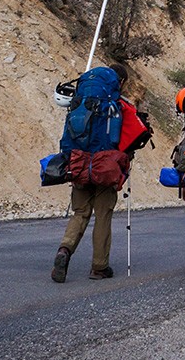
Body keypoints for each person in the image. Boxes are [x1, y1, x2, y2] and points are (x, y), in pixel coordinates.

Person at [51, 63, 147, 283]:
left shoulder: (80, 100)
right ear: (120, 82)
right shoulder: (118, 105)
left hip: (79, 162)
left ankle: (64, 249)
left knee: (80, 212)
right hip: (105, 167)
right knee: (103, 215)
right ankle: (99, 267)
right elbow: (131, 137)